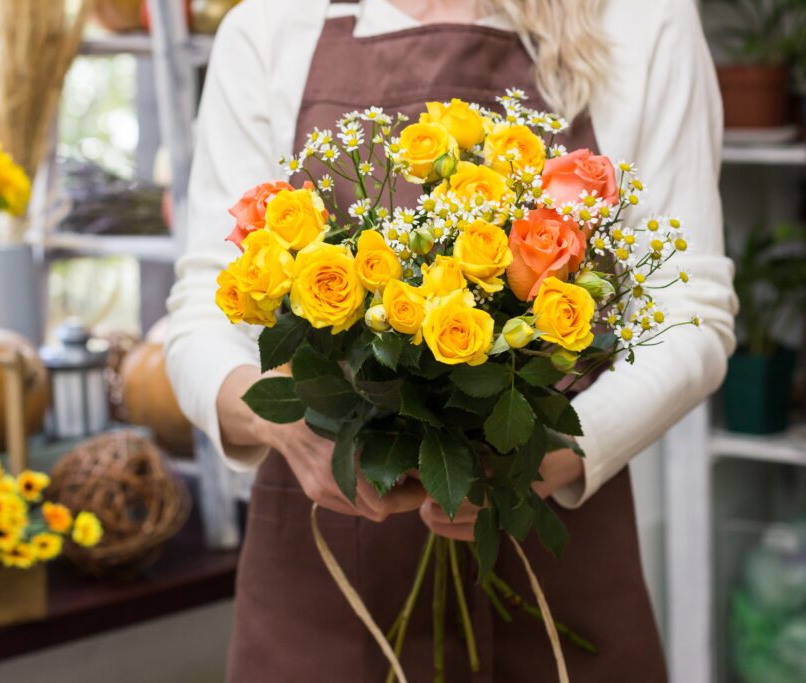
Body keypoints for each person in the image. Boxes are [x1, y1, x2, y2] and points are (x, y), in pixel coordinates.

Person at [165, 0, 737, 679]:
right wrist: (284, 423)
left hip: (552, 553)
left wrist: (561, 448)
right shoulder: (269, 26)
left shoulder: (643, 19)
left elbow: (692, 304)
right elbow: (205, 306)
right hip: (322, 584)